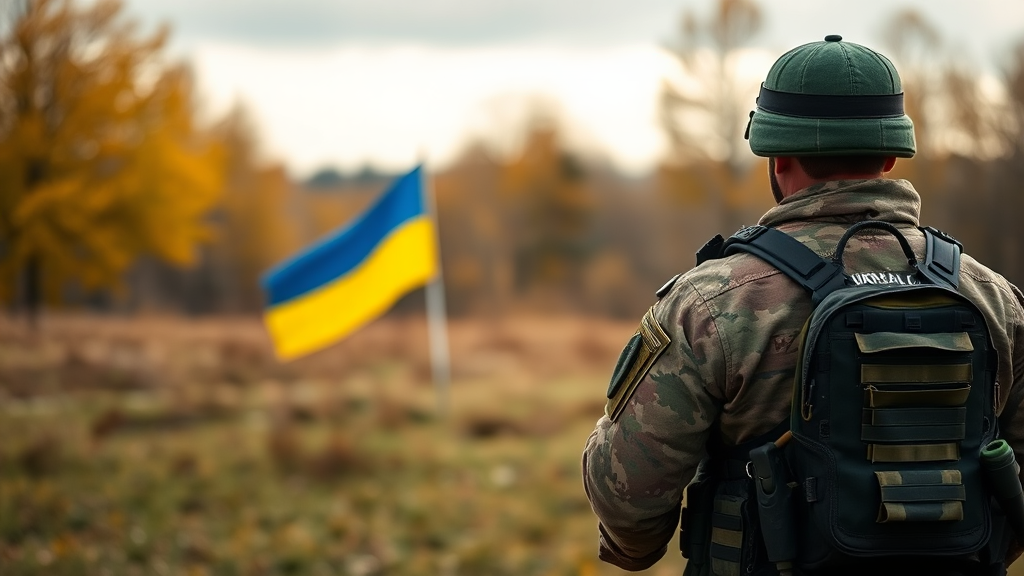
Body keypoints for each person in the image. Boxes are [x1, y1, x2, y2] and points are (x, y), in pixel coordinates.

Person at [582, 35, 1024, 572]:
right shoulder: (993, 298)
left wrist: (634, 546)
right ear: (890, 155)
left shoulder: (708, 305)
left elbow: (630, 498)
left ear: (776, 157)